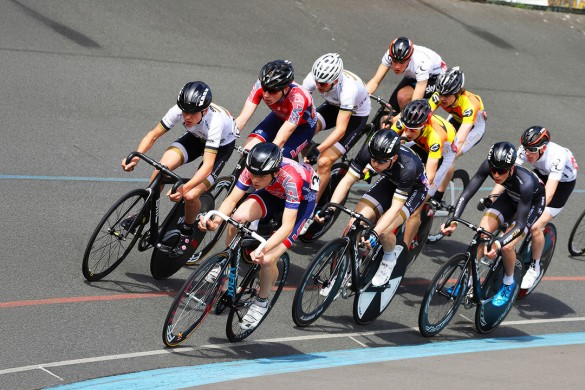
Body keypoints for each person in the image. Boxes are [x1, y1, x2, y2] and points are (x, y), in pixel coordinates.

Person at [199, 143, 318, 329]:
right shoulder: (253, 170)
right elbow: (231, 200)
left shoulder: (291, 179)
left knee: (268, 259)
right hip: (272, 192)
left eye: (260, 176)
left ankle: (261, 302)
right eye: (252, 174)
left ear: (275, 172)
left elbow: (287, 226)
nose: (254, 179)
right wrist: (215, 220)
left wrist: (265, 247)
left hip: (301, 202)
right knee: (236, 218)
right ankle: (227, 263)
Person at [121, 81, 238, 256]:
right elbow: (153, 135)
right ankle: (144, 213)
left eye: (191, 113)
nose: (186, 117)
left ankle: (187, 231)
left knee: (191, 195)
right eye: (184, 112)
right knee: (161, 168)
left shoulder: (216, 123)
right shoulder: (179, 110)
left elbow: (207, 166)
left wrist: (186, 187)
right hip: (195, 138)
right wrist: (136, 156)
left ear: (204, 111)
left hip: (221, 146)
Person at [316, 130, 428, 288]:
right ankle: (342, 270)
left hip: (414, 190)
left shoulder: (407, 168)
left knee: (384, 231)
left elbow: (396, 207)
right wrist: (331, 209)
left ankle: (389, 258)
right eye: (374, 159)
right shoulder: (368, 151)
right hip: (389, 180)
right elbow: (347, 180)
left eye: (381, 162)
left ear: (394, 158)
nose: (375, 164)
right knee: (355, 221)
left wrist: (375, 232)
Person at [441, 142, 546, 307]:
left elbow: (519, 225)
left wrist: (499, 242)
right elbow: (467, 193)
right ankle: (467, 281)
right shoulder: (490, 166)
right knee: (482, 233)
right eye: (493, 170)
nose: (496, 175)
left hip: (531, 204)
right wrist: (454, 218)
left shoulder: (526, 183)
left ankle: (508, 283)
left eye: (502, 171)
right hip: (509, 197)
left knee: (507, 247)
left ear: (512, 168)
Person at [301, 53, 372, 203]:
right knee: (300, 132)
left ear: (335, 80)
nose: (319, 86)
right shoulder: (314, 78)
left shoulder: (348, 90)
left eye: (323, 84)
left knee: (324, 162)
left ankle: (310, 208)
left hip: (355, 115)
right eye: (317, 82)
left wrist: (318, 150)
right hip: (333, 106)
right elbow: (301, 108)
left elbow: (340, 130)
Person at [516, 126, 578, 289]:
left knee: (536, 226)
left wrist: (534, 216)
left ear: (543, 148)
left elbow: (549, 194)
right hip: (542, 172)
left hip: (562, 185)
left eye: (532, 150)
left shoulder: (556, 157)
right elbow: (510, 172)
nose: (527, 153)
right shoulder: (526, 149)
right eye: (525, 148)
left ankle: (534, 267)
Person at [390, 99, 456, 249]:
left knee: (415, 207)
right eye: (405, 128)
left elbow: (429, 176)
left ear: (424, 125)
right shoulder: (407, 124)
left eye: (412, 130)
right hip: (420, 141)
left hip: (444, 153)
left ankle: (403, 250)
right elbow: (388, 142)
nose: (406, 132)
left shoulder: (435, 137)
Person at [236, 60, 317, 160]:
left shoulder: (299, 99)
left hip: (302, 128)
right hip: (279, 117)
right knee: (248, 150)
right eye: (264, 88)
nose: (266, 95)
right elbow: (243, 118)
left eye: (272, 91)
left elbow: (280, 140)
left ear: (286, 89)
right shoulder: (259, 85)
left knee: (273, 160)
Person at [427, 67, 487, 202]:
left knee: (449, 154)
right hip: (456, 119)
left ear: (458, 93)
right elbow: (425, 116)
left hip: (473, 127)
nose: (442, 98)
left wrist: (450, 150)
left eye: (447, 95)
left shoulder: (469, 104)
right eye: (440, 93)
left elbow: (459, 140)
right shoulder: (439, 95)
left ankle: (437, 196)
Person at [366, 36, 447, 117]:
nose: (397, 66)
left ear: (409, 59)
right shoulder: (391, 54)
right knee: (387, 115)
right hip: (415, 75)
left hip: (435, 78)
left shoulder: (421, 63)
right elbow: (375, 81)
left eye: (401, 62)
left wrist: (400, 118)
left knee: (403, 97)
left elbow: (414, 103)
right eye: (395, 61)